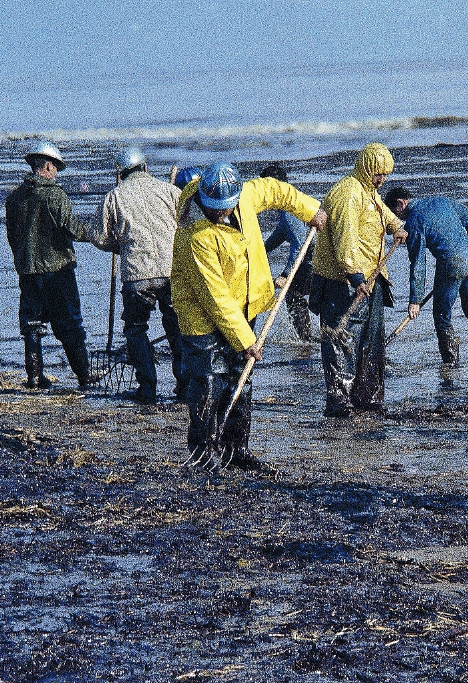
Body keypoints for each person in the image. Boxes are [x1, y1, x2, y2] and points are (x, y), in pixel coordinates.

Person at [173, 162, 327, 470]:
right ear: (204, 199)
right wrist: (246, 340)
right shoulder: (196, 235)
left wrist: (310, 210)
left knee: (241, 378)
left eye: (228, 208)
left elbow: (276, 190)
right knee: (208, 382)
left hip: (244, 305)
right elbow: (215, 298)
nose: (223, 214)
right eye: (217, 210)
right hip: (202, 315)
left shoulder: (243, 195)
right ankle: (205, 453)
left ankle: (236, 450)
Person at [311, 143, 407, 417]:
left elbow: (383, 214)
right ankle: (339, 401)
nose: (382, 179)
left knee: (371, 338)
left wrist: (396, 227)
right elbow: (345, 241)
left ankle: (368, 396)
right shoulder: (347, 194)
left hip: (372, 278)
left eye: (385, 174)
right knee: (342, 340)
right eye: (379, 173)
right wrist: (355, 276)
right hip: (343, 281)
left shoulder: (370, 193)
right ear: (366, 168)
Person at [90, 147, 185, 403]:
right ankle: (185, 386)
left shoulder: (114, 197)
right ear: (145, 167)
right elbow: (187, 225)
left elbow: (98, 237)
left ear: (121, 174)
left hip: (136, 274)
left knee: (135, 329)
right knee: (177, 327)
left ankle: (147, 388)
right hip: (172, 271)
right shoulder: (171, 191)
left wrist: (119, 246)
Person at [4, 141, 93, 389]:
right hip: (58, 272)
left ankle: (34, 377)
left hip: (29, 271)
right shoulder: (55, 195)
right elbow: (73, 230)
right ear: (46, 166)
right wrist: (99, 235)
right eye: (55, 168)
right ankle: (84, 377)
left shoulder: (14, 198)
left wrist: (23, 260)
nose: (56, 173)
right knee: (70, 324)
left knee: (32, 325)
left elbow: (12, 237)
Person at [385, 186, 468, 365]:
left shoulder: (413, 222)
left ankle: (450, 367)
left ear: (400, 204)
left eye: (396, 214)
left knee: (442, 315)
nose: (398, 219)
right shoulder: (440, 200)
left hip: (451, 264)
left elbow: (418, 263)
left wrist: (415, 300)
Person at [258, 164, 315, 342]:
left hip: (314, 257)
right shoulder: (288, 205)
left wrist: (285, 274)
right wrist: (260, 250)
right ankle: (307, 337)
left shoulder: (291, 209)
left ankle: (305, 339)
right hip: (310, 255)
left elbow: (299, 246)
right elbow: (281, 233)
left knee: (293, 294)